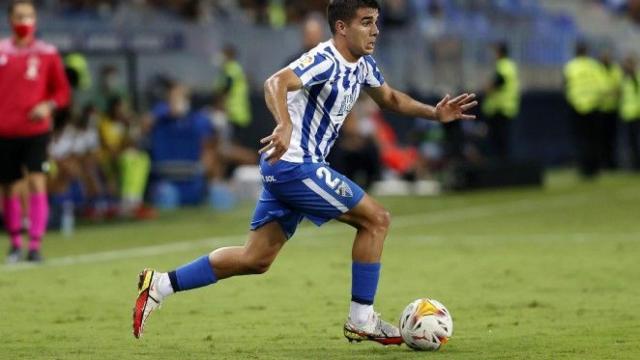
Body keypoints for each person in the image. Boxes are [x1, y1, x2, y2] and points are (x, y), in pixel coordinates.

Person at [132, 0, 477, 344]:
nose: (375, 30)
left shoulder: (363, 65)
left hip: (290, 166)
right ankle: (362, 319)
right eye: (366, 22)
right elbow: (274, 82)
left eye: (376, 22)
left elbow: (389, 99)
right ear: (342, 27)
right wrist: (283, 124)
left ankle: (159, 285)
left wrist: (435, 112)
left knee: (256, 259)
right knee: (377, 220)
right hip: (295, 164)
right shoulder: (323, 59)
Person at [0, 0, 71, 263]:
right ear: (10, 20)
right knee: (10, 188)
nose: (25, 21)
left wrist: (47, 105)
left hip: (35, 130)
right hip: (5, 132)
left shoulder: (47, 53)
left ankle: (35, 245)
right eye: (20, 16)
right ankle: (16, 243)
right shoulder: (2, 51)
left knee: (36, 180)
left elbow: (62, 92)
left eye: (29, 16)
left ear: (36, 21)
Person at [564, 42, 605, 179]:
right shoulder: (594, 66)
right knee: (594, 139)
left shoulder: (571, 67)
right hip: (593, 106)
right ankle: (595, 168)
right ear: (586, 51)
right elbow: (602, 86)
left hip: (577, 107)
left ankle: (584, 168)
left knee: (581, 140)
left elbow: (566, 86)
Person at [481, 42, 520, 160]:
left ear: (499, 52)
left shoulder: (503, 66)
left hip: (499, 108)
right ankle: (504, 166)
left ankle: (500, 168)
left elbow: (496, 83)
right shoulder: (511, 66)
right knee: (504, 140)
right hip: (508, 108)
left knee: (499, 141)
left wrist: (486, 88)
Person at [620, 54, 640, 170]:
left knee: (636, 142)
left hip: (638, 114)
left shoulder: (637, 78)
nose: (628, 66)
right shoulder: (624, 79)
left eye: (630, 64)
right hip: (628, 115)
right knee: (631, 143)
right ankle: (634, 165)